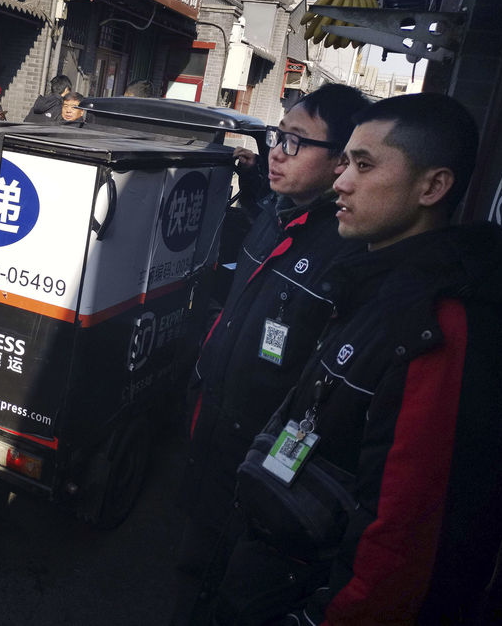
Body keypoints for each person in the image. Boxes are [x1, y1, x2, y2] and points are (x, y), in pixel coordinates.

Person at [212, 93, 502, 625]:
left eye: (364, 165)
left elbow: (402, 541)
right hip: (268, 564)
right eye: (345, 162)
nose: (342, 182)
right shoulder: (374, 282)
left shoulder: (438, 325)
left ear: (433, 187)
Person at [172, 84, 370, 625]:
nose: (277, 152)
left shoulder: (348, 249)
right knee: (189, 564)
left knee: (226, 586)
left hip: (262, 464)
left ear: (341, 161)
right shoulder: (274, 213)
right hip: (211, 430)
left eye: (295, 142)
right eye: (277, 137)